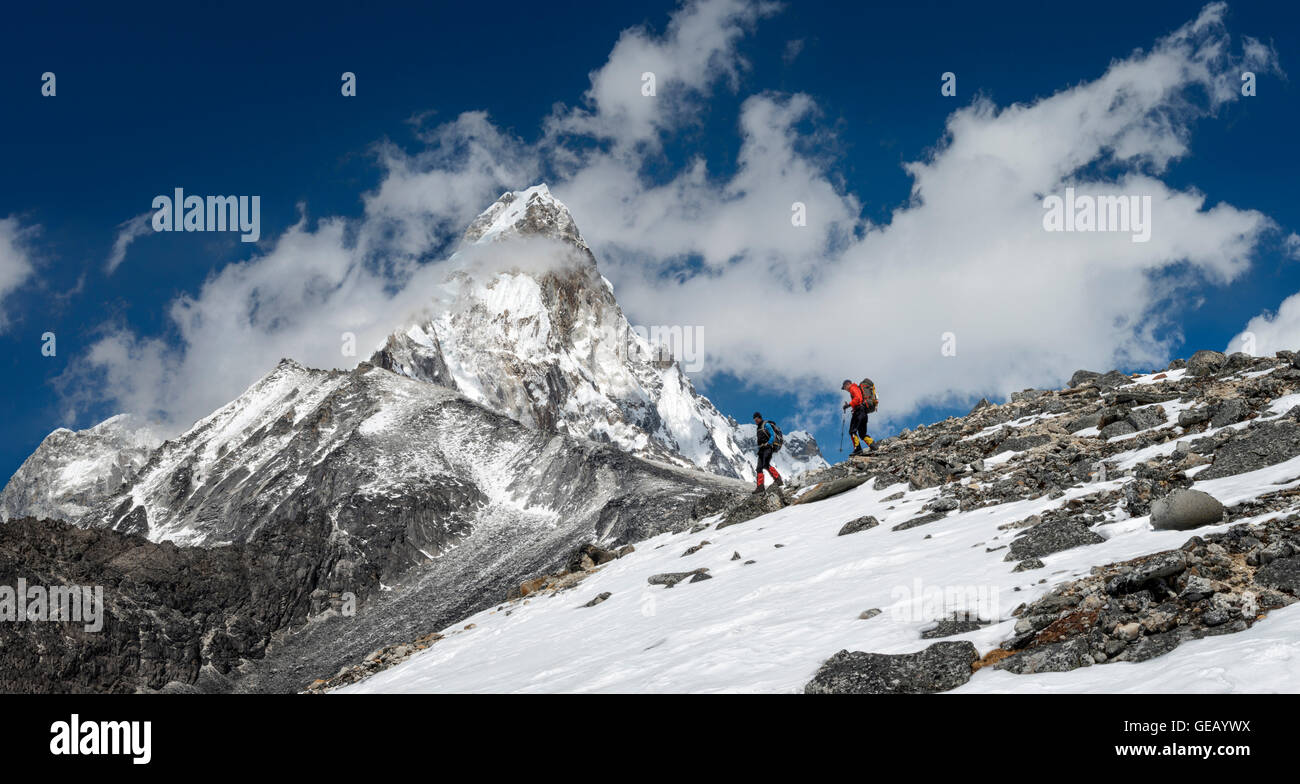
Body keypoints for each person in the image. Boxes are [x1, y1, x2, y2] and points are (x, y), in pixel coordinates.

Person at [751, 411, 783, 493]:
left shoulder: (766, 424)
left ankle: (778, 480)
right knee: (759, 468)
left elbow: (772, 435)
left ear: (760, 417)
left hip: (768, 447)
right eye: (754, 419)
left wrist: (768, 443)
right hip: (761, 449)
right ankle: (760, 487)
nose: (755, 421)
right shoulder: (758, 428)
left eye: (756, 419)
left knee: (766, 464)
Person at [841, 379, 874, 456]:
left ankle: (858, 449)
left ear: (847, 384)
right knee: (862, 434)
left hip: (858, 412)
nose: (845, 389)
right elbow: (859, 399)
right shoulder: (856, 388)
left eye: (844, 387)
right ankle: (873, 446)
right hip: (863, 412)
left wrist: (848, 405)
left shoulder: (852, 388)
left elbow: (857, 398)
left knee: (852, 431)